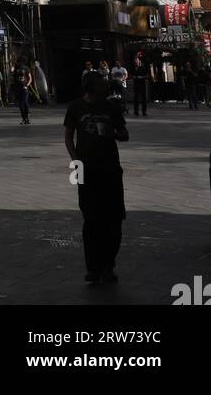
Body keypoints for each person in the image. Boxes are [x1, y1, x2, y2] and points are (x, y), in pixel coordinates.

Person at [64, 70, 129, 285]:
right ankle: (93, 267)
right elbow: (68, 136)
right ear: (89, 86)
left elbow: (124, 134)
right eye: (100, 84)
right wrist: (76, 161)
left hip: (110, 168)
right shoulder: (75, 107)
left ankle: (108, 265)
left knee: (114, 219)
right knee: (91, 220)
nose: (104, 87)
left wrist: (113, 133)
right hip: (85, 168)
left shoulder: (111, 107)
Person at [131, 53, 148, 117]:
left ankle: (144, 111)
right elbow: (131, 75)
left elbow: (146, 75)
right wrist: (134, 77)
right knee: (136, 99)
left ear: (138, 60)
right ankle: (136, 112)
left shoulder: (143, 67)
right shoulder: (133, 68)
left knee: (143, 98)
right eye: (134, 60)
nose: (135, 61)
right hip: (136, 84)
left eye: (136, 60)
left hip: (142, 83)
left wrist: (141, 77)